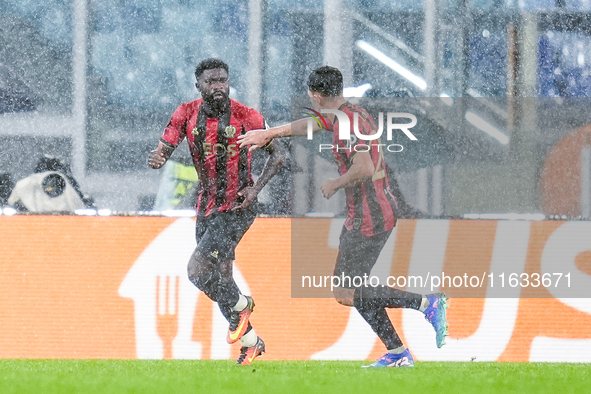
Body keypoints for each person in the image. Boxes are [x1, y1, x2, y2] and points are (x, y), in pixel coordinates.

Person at [238, 66, 448, 368]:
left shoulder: (348, 123)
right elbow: (310, 123)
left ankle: (427, 304)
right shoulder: (348, 114)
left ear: (314, 94)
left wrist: (333, 183)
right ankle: (398, 353)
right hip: (366, 212)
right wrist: (270, 133)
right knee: (355, 289)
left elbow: (362, 167)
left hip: (370, 215)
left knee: (346, 291)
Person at [148, 58, 286, 365]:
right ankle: (251, 342)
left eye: (222, 80)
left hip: (238, 205)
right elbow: (166, 145)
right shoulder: (186, 113)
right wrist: (159, 156)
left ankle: (241, 304)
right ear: (199, 85)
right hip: (206, 206)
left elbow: (279, 154)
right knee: (221, 276)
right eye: (211, 82)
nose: (218, 86)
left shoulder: (246, 116)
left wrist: (255, 188)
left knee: (197, 271)